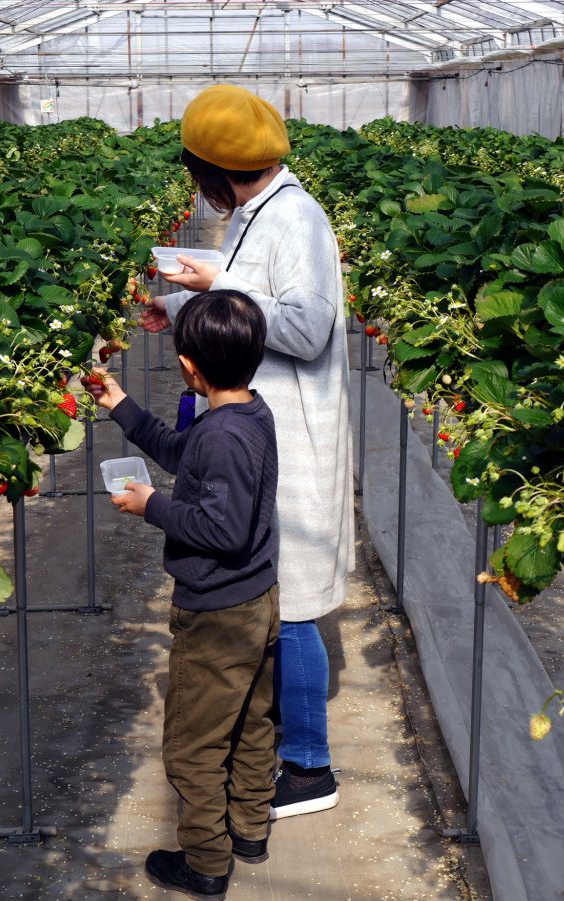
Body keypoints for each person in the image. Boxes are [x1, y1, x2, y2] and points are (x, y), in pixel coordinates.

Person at [141, 83, 354, 820]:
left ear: (210, 169)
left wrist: (218, 278)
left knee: (290, 606)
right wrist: (175, 306)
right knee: (277, 596)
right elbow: (250, 301)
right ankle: (283, 746)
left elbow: (305, 328)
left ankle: (308, 767)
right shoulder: (265, 211)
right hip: (263, 424)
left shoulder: (296, 218)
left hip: (288, 432)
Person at [83, 289, 279, 901]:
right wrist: (122, 407)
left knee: (193, 746)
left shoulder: (222, 437)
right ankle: (248, 829)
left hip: (216, 612)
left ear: (190, 365)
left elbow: (221, 529)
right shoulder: (248, 415)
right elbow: (182, 451)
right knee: (251, 722)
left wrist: (152, 506)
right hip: (257, 600)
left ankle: (205, 862)